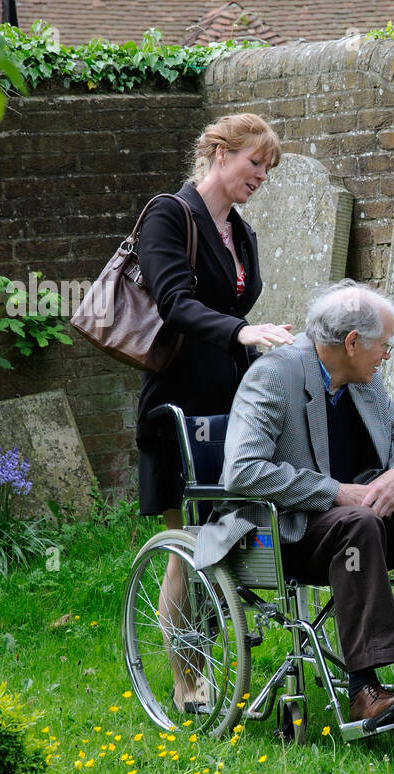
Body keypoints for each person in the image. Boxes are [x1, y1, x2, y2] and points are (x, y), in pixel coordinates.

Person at [194, 280, 394, 728]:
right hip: (284, 530)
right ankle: (363, 688)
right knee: (358, 521)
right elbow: (243, 471)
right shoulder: (273, 376)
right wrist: (336, 491)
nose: (386, 355)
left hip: (355, 524)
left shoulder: (364, 380)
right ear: (352, 342)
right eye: (385, 345)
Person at [136, 113, 295, 710]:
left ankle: (223, 643)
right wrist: (244, 334)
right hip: (179, 405)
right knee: (184, 539)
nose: (261, 175)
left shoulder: (242, 233)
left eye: (267, 168)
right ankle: (186, 682)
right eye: (254, 162)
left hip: (234, 404)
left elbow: (238, 311)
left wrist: (264, 339)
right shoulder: (168, 216)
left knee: (223, 534)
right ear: (219, 153)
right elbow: (175, 303)